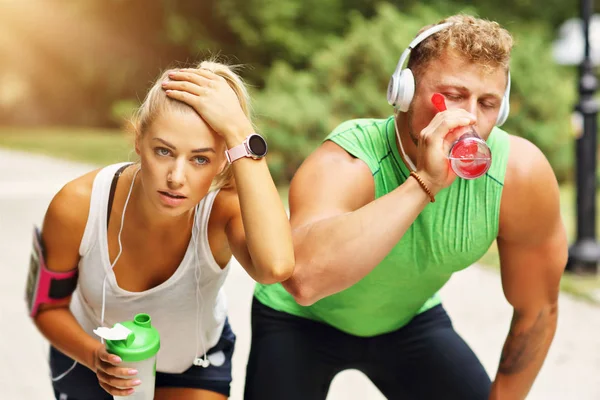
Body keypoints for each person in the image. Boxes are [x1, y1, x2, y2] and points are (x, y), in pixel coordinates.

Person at [244, 14, 567, 400]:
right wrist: (424, 183)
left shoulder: (518, 174)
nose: (470, 119)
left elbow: (538, 310)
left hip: (408, 323)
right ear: (404, 90)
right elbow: (304, 281)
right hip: (298, 320)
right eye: (454, 95)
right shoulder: (351, 159)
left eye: (488, 103)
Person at [29, 59, 295, 400]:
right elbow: (47, 307)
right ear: (138, 139)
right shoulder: (77, 205)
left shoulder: (222, 208)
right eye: (163, 151)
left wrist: (242, 134)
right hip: (92, 359)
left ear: (223, 159)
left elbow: (276, 267)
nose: (176, 177)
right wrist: (95, 357)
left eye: (200, 159)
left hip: (193, 364)